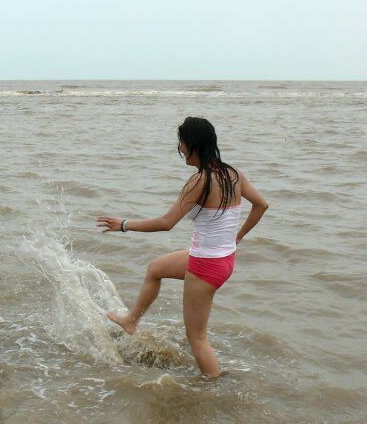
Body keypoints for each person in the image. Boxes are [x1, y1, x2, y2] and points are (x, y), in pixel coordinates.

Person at [96, 117, 269, 378]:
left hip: (206, 266)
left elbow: (166, 223)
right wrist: (238, 237)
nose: (180, 149)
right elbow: (261, 205)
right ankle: (131, 320)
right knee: (155, 269)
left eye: (181, 143)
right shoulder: (234, 174)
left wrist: (123, 224)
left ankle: (215, 387)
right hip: (222, 260)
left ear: (192, 145)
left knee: (197, 338)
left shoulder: (199, 181)